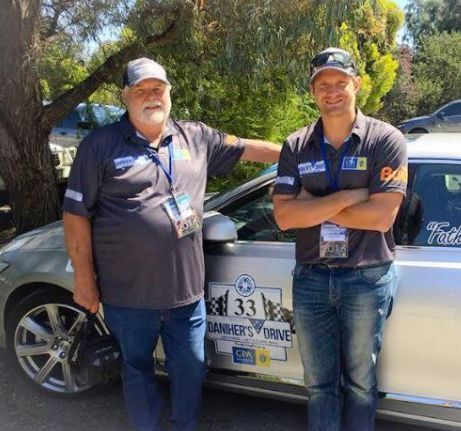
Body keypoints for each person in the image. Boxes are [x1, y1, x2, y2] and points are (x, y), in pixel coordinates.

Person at [62, 57, 280, 431]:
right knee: (136, 370)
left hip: (186, 297)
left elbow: (247, 148)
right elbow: (75, 214)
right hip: (127, 296)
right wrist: (85, 279)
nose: (151, 96)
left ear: (169, 93)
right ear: (125, 96)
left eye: (158, 89)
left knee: (191, 371)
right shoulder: (100, 146)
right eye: (141, 90)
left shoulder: (196, 136)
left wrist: (305, 154)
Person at [272, 47, 407, 431]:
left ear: (357, 85)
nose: (332, 92)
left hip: (366, 277)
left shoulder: (386, 140)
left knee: (361, 384)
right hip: (312, 278)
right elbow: (284, 217)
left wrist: (311, 206)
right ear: (313, 92)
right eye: (323, 85)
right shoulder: (296, 145)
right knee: (318, 386)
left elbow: (382, 217)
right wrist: (350, 196)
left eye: (340, 83)